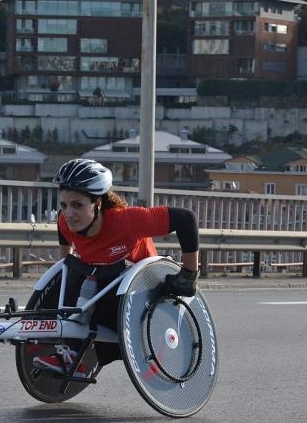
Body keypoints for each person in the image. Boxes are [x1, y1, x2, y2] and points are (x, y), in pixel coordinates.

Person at [33, 158, 199, 376]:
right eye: (63, 205)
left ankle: (75, 352)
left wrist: (189, 274)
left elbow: (186, 219)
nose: (69, 214)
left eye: (77, 205)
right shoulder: (65, 222)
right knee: (73, 272)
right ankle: (69, 355)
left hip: (141, 293)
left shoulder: (127, 221)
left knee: (91, 278)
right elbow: (66, 258)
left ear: (98, 203)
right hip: (99, 289)